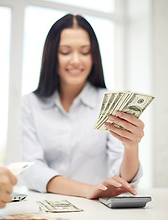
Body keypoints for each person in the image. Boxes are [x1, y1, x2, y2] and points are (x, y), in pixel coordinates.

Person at [20, 14, 144, 199]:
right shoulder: (30, 103)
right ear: (52, 56)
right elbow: (30, 168)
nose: (76, 60)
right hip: (44, 208)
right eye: (65, 51)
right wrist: (87, 190)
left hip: (96, 211)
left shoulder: (110, 102)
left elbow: (124, 178)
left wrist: (131, 147)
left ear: (93, 56)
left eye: (85, 52)